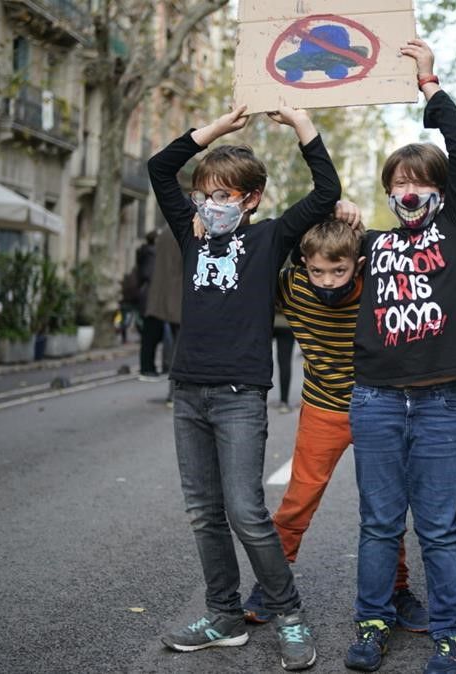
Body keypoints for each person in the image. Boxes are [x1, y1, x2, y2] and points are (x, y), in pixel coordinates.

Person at [147, 102, 339, 671]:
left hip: (238, 396)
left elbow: (325, 191)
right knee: (203, 513)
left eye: (224, 194)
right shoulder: (191, 235)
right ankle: (224, 617)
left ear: (251, 199)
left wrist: (302, 124)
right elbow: (160, 168)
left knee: (246, 513)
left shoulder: (272, 238)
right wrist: (215, 131)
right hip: (188, 392)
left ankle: (290, 616)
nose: (210, 203)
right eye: (205, 193)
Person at [345, 39, 456, 674]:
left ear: (439, 191)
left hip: (437, 403)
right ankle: (372, 623)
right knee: (378, 525)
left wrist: (429, 84)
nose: (409, 190)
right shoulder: (369, 244)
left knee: (439, 528)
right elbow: (316, 244)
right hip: (372, 398)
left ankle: (452, 636)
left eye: (421, 181)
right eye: (399, 183)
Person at [241, 210, 428, 636]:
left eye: (338, 270)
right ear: (304, 265)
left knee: (385, 508)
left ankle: (397, 590)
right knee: (297, 501)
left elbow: (414, 253)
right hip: (323, 408)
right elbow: (259, 250)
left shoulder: (377, 287)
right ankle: (272, 585)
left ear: (358, 263)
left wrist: (358, 230)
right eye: (317, 270)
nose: (326, 280)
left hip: (378, 405)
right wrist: (320, 211)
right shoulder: (292, 288)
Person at [144, 226, 184, 406]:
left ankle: (173, 392)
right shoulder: (190, 230)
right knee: (180, 346)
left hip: (166, 295)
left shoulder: (165, 234)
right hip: (184, 296)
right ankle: (176, 393)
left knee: (173, 344)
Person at [136, 229, 164, 381]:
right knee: (151, 335)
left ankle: (148, 367)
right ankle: (147, 368)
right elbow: (150, 275)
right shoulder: (153, 254)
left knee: (150, 336)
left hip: (147, 298)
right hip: (151, 299)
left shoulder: (145, 253)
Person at [272, 307, 296, 413]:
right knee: (285, 362)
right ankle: (284, 402)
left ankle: (259, 398)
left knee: (262, 360)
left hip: (269, 321)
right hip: (287, 322)